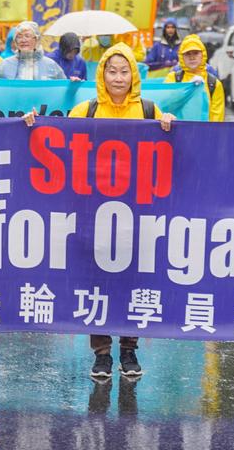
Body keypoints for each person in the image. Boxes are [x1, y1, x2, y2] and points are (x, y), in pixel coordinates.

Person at [24, 42, 174, 380]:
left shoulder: (150, 110)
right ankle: (102, 353)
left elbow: (174, 147)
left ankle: (129, 349)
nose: (118, 78)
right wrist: (33, 123)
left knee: (133, 280)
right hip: (94, 210)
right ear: (102, 75)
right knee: (98, 282)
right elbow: (55, 137)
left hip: (138, 210)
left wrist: (169, 125)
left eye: (124, 71)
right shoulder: (86, 110)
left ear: (133, 75)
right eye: (112, 71)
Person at [163, 34, 226, 122]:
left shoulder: (214, 84)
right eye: (187, 54)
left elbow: (217, 120)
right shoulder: (173, 79)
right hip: (177, 129)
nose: (192, 57)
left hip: (204, 130)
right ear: (182, 57)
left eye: (196, 53)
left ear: (202, 54)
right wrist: (188, 90)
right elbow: (165, 106)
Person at [0, 21, 65, 81]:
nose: (23, 40)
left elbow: (63, 89)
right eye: (19, 37)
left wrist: (72, 84)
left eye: (27, 36)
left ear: (36, 39)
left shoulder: (50, 65)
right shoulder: (5, 65)